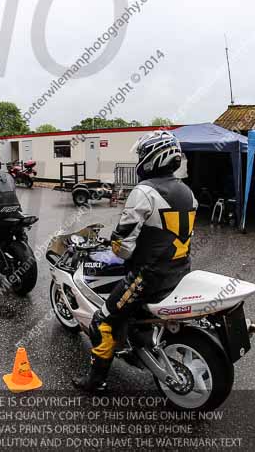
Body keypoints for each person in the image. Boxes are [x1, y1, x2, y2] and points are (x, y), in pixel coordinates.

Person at [72, 131, 197, 392]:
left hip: (148, 277)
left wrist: (115, 246)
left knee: (102, 321)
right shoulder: (187, 192)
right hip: (180, 272)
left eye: (142, 154)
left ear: (153, 157)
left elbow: (123, 247)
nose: (140, 158)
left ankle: (96, 381)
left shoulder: (144, 191)